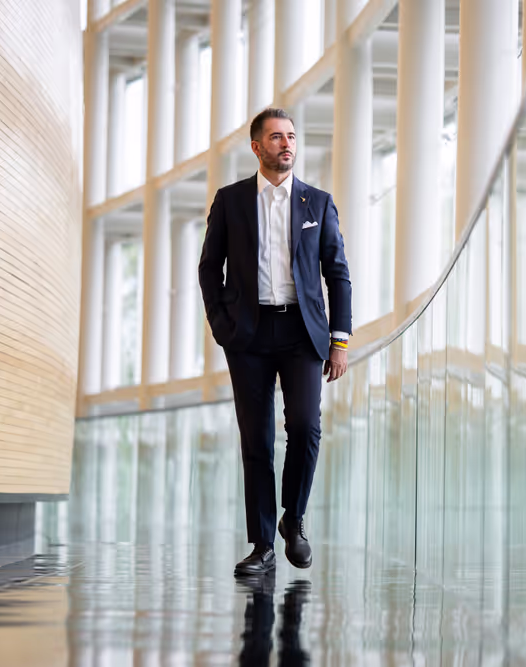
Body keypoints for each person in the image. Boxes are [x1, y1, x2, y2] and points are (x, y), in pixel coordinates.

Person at [199, 107, 353, 577]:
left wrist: (339, 340)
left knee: (305, 428)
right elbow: (209, 268)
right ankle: (263, 544)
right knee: (257, 440)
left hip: (301, 333)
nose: (286, 144)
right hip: (246, 334)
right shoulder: (230, 201)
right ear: (256, 147)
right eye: (275, 137)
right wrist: (222, 326)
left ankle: (294, 519)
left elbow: (337, 273)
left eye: (290, 136)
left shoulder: (318, 204)